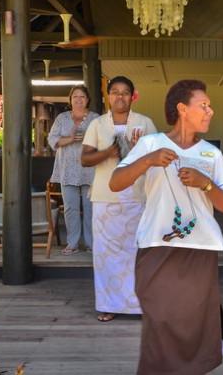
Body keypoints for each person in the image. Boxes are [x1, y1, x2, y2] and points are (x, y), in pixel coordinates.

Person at [109, 79, 223, 375]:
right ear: (182, 109)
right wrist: (148, 160)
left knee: (194, 325)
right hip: (157, 246)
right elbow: (116, 182)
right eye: (203, 105)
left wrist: (205, 183)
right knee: (160, 317)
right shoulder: (151, 144)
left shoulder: (211, 154)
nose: (210, 111)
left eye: (210, 106)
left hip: (200, 250)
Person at [81, 76, 157, 322]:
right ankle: (108, 304)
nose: (120, 97)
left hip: (138, 197)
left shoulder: (145, 123)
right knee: (106, 253)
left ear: (132, 96)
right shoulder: (97, 125)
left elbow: (156, 158)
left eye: (125, 92)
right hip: (106, 197)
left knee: (138, 252)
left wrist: (139, 150)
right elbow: (85, 158)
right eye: (115, 92)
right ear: (108, 96)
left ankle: (140, 305)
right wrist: (109, 152)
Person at [47, 85, 99, 255]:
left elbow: (104, 141)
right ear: (70, 100)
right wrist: (69, 139)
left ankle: (91, 243)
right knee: (70, 208)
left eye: (82, 96)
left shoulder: (95, 119)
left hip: (89, 169)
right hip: (67, 169)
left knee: (90, 207)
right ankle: (73, 243)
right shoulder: (62, 118)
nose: (78, 99)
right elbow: (52, 140)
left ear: (87, 99)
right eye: (75, 96)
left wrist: (89, 139)